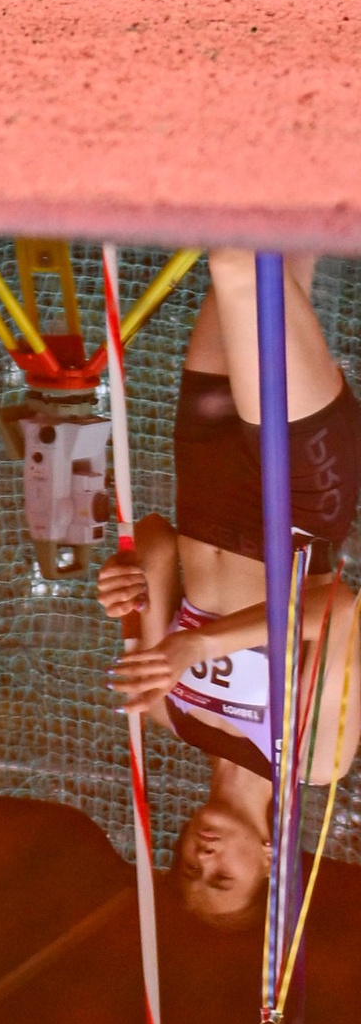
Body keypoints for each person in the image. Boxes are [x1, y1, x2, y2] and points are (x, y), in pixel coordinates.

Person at [99, 251, 361, 921]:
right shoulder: (313, 759)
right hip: (295, 498)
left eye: (188, 867)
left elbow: (156, 539)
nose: (204, 856)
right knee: (245, 262)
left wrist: (127, 579)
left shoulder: (167, 714)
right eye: (221, 878)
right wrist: (201, 645)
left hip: (207, 476)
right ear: (273, 860)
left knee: (255, 249)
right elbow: (339, 609)